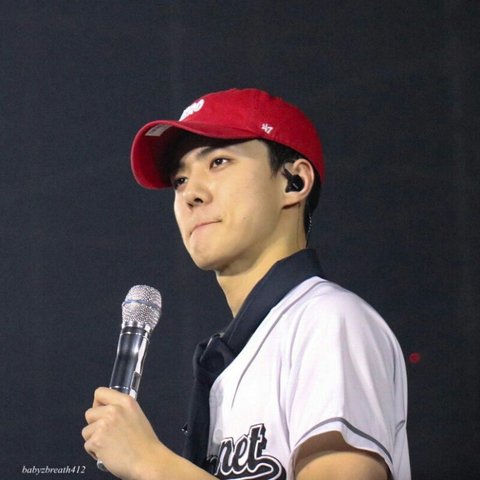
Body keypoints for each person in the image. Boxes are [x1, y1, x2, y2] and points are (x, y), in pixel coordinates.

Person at [82, 88, 410, 480]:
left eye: (218, 162)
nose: (191, 194)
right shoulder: (239, 354)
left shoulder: (326, 320)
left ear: (294, 181)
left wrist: (150, 462)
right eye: (180, 179)